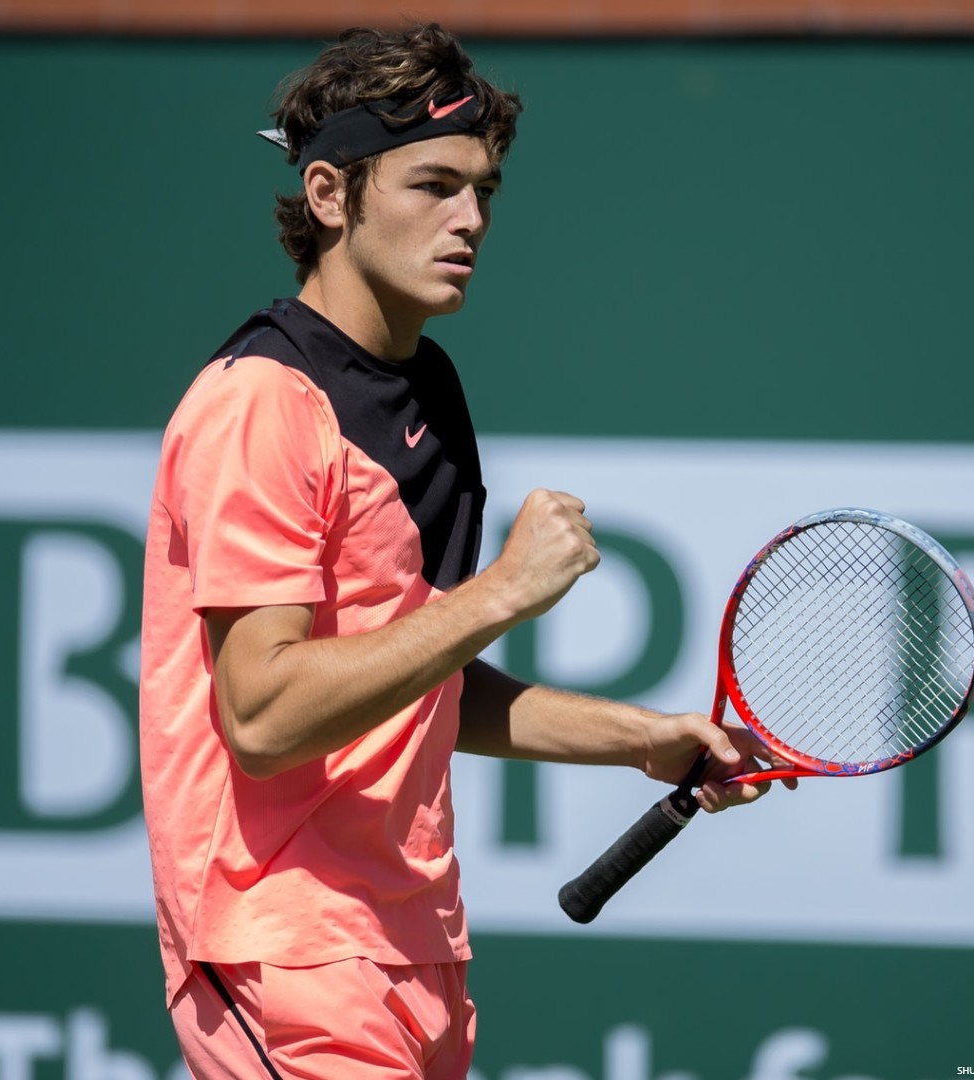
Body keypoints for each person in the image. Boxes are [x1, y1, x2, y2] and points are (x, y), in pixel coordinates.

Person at [139, 22, 791, 1080]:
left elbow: (414, 679)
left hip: (418, 952)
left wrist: (642, 739)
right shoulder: (260, 404)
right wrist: (500, 593)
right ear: (327, 195)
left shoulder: (428, 392)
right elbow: (259, 717)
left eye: (483, 189)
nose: (471, 219)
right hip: (285, 954)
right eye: (433, 185)